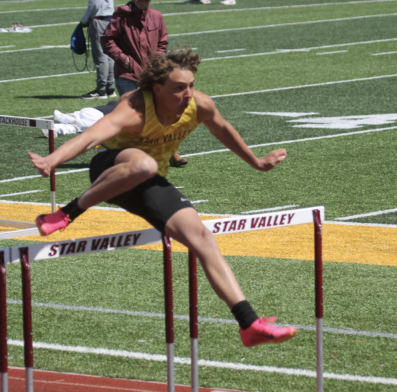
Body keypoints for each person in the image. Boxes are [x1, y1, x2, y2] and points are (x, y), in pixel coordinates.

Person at [28, 49, 297, 347]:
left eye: (191, 86)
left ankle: (249, 323)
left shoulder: (199, 105)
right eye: (179, 88)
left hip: (148, 181)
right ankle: (68, 212)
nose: (188, 94)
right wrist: (52, 160)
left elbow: (223, 129)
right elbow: (90, 137)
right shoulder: (134, 108)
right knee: (144, 164)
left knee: (202, 237)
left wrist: (257, 162)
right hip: (111, 169)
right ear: (157, 88)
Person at [101, 0, 187, 167]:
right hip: (127, 74)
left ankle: (170, 152)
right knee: (134, 117)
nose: (144, 3)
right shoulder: (121, 15)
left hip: (152, 74)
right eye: (141, 0)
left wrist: (158, 61)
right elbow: (107, 40)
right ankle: (122, 153)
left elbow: (163, 41)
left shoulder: (157, 16)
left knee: (158, 113)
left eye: (147, 0)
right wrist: (125, 60)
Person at [79, 0, 115, 100]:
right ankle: (109, 88)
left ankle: (101, 90)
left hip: (99, 19)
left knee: (101, 56)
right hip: (109, 18)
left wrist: (84, 19)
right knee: (109, 55)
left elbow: (95, 3)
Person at [46, 101, 118, 137]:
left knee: (76, 128)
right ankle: (67, 119)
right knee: (95, 126)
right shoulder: (121, 110)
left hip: (87, 111)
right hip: (97, 116)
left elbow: (111, 102)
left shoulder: (115, 103)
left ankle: (55, 128)